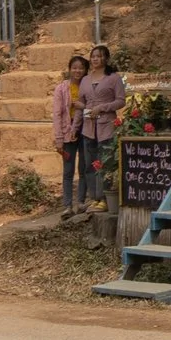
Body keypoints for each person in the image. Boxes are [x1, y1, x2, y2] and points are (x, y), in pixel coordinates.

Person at [81, 44, 128, 209]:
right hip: (88, 127)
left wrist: (103, 107)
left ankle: (105, 199)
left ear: (106, 59)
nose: (95, 59)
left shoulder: (114, 78)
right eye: (93, 56)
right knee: (89, 164)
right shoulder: (85, 79)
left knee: (105, 163)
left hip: (106, 126)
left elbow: (121, 100)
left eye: (99, 56)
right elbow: (84, 101)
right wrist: (80, 108)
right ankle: (94, 197)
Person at [53, 54, 93, 218]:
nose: (77, 71)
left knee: (84, 168)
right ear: (70, 70)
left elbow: (94, 107)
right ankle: (67, 206)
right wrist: (59, 138)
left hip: (85, 130)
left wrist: (82, 106)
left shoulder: (89, 86)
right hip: (67, 132)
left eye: (81, 68)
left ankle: (81, 202)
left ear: (85, 70)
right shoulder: (61, 89)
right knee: (68, 170)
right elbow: (56, 114)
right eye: (74, 67)